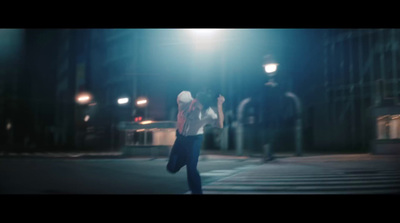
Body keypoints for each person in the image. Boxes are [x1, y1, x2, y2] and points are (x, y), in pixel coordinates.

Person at [166, 90, 225, 194]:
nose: (194, 108)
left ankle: (197, 192)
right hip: (180, 138)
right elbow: (184, 94)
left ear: (204, 108)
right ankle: (187, 158)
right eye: (194, 104)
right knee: (171, 168)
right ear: (194, 99)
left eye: (197, 108)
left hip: (194, 140)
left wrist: (219, 105)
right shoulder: (185, 99)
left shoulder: (208, 112)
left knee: (191, 169)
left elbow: (220, 125)